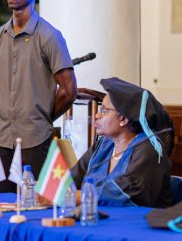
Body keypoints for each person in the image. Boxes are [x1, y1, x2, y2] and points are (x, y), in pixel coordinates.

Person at [0, 0, 77, 191]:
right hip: (1, 138)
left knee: (35, 201)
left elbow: (69, 90)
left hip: (35, 138)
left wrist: (42, 117)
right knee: (1, 202)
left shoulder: (50, 36)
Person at [70, 77, 173, 208]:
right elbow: (73, 178)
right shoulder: (104, 145)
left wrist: (74, 196)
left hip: (137, 219)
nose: (97, 115)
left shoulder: (148, 148)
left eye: (105, 111)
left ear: (123, 119)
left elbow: (125, 194)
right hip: (100, 217)